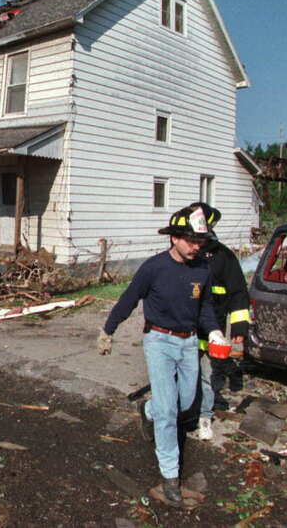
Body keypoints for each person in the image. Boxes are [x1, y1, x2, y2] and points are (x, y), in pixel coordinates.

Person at [97, 205, 223, 507]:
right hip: (159, 341)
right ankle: (169, 480)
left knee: (184, 402)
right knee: (169, 413)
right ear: (174, 238)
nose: (196, 246)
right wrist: (108, 330)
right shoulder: (154, 268)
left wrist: (215, 331)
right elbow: (129, 298)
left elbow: (204, 307)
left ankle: (149, 411)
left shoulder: (202, 269)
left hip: (189, 343)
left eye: (200, 241)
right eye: (191, 240)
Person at [189, 202, 251, 413]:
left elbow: (238, 293)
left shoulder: (222, 256)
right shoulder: (183, 253)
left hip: (212, 325)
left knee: (211, 368)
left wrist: (239, 327)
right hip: (184, 325)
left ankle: (207, 403)